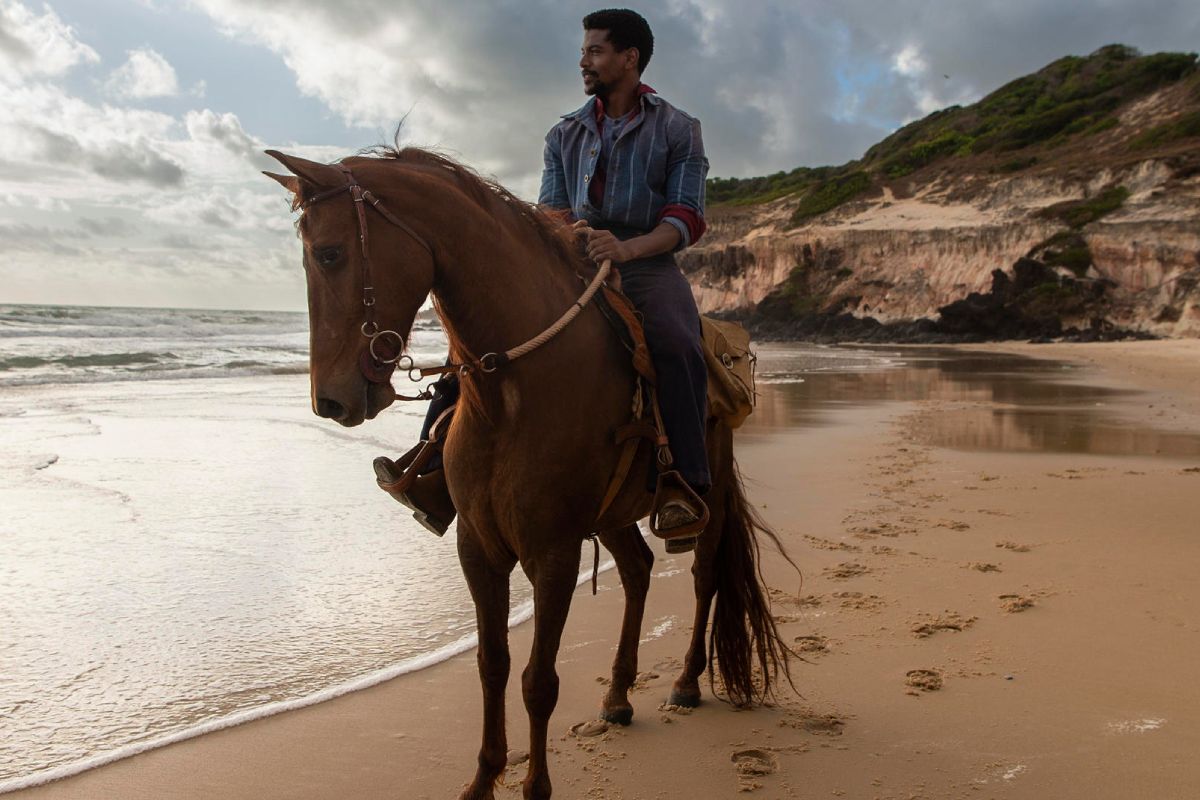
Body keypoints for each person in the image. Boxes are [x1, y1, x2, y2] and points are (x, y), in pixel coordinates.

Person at [375, 7, 710, 535]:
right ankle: (434, 468)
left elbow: (686, 217)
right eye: (583, 51)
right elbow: (549, 209)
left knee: (675, 339)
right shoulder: (564, 134)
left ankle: (684, 483)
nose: (584, 61)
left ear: (630, 59)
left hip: (645, 263)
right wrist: (567, 234)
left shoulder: (678, 128)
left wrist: (626, 250)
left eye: (595, 51)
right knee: (477, 337)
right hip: (571, 261)